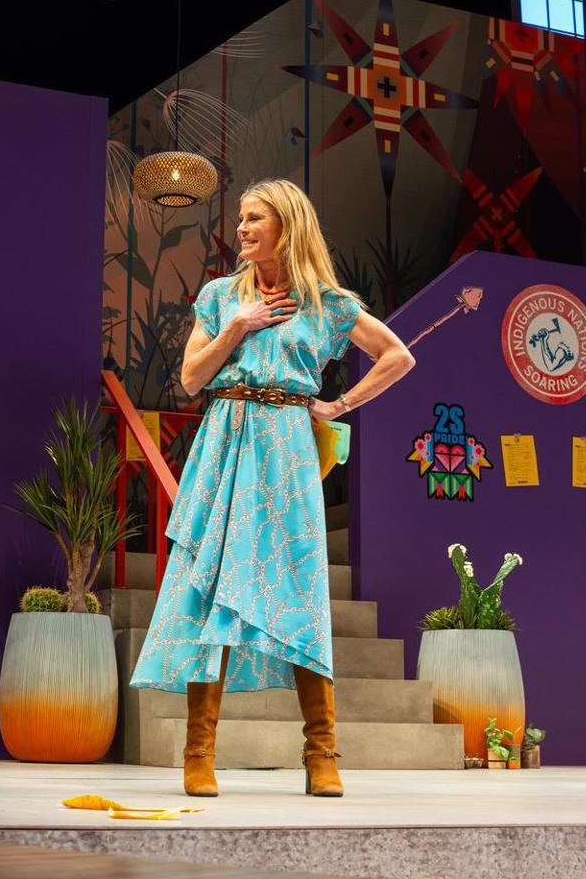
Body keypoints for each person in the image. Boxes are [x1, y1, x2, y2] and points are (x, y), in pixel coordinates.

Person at [129, 178, 415, 798]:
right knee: (212, 591)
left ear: (286, 225)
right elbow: (189, 379)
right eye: (241, 219)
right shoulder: (219, 296)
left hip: (286, 447)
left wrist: (339, 404)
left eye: (254, 218)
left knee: (300, 590)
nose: (241, 228)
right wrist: (238, 326)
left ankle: (322, 754)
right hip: (224, 440)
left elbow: (397, 355)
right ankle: (198, 753)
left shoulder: (327, 304)